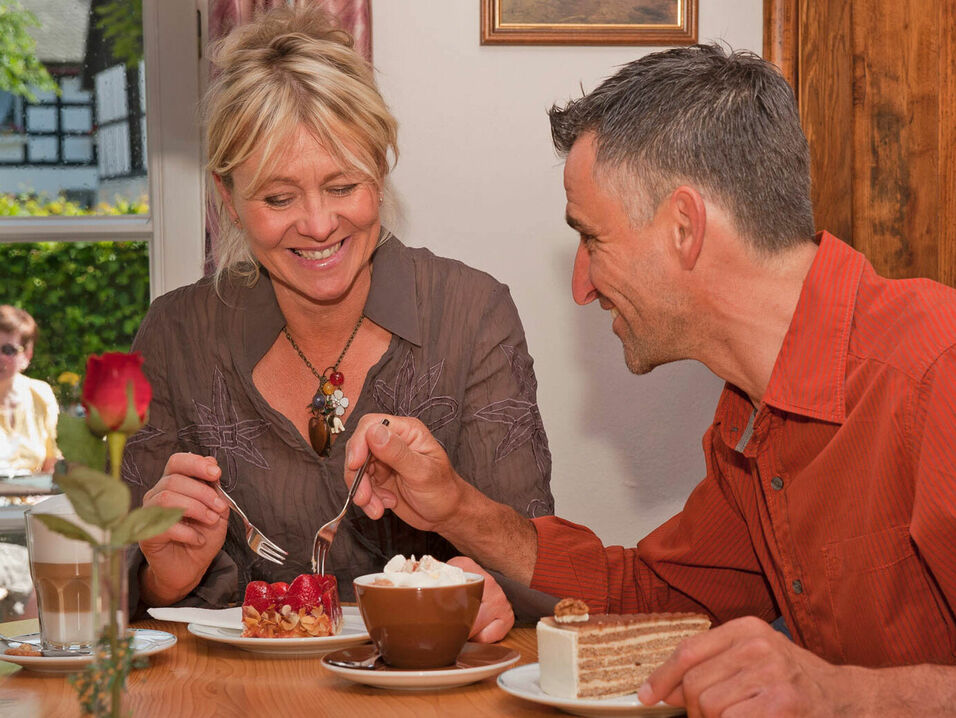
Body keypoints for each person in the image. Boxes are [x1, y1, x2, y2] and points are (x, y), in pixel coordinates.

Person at [347, 44, 956, 715]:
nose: (581, 287)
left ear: (684, 228)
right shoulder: (749, 411)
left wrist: (844, 696)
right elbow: (658, 599)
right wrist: (457, 507)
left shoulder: (935, 369)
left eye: (592, 239)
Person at [122, 4, 553, 628]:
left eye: (343, 187)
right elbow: (92, 586)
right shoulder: (175, 336)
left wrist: (486, 580)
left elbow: (541, 569)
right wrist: (160, 578)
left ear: (380, 169)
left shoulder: (470, 314)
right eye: (278, 197)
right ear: (229, 200)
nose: (319, 225)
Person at [0, 306, 57, 474]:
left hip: (33, 497)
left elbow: (52, 464)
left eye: (8, 350)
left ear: (27, 355)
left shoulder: (40, 394)